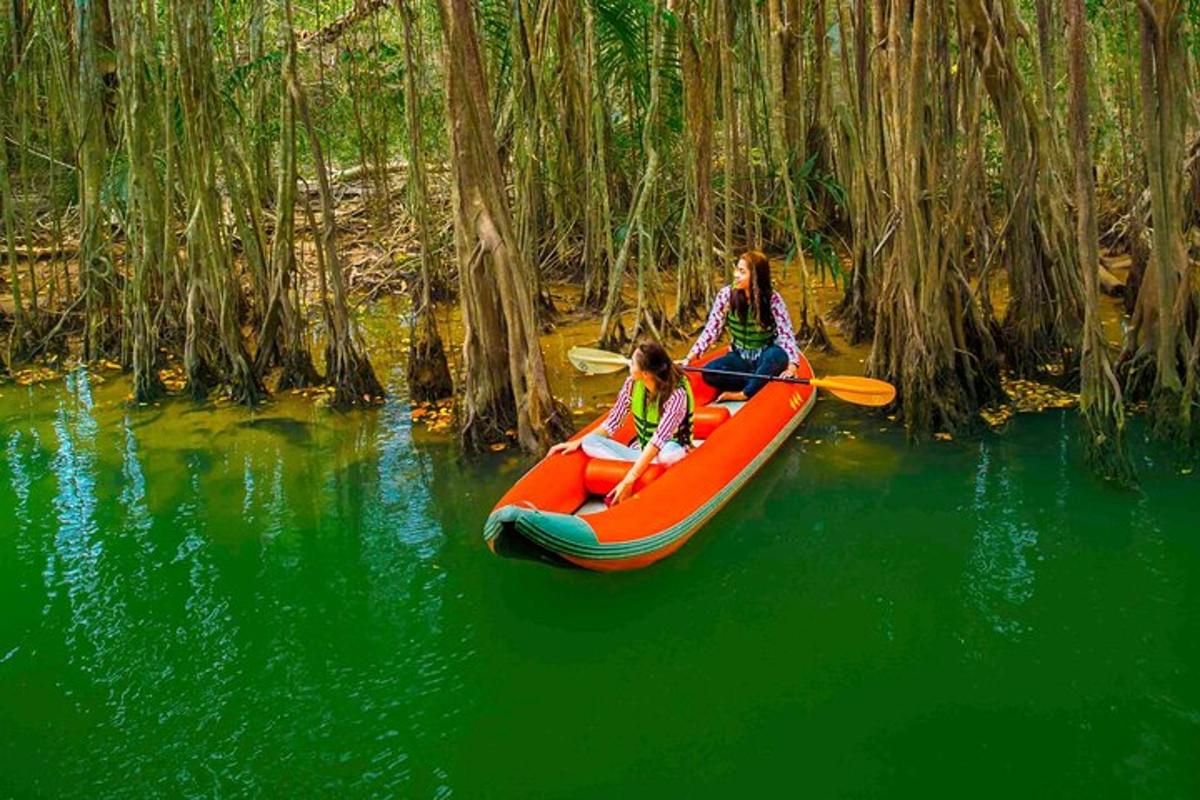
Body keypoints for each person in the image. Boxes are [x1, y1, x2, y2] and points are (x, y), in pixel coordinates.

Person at [548, 341, 694, 506]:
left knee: (667, 455)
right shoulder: (632, 384)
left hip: (670, 449)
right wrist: (577, 442)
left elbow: (658, 441)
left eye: (632, 363)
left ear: (645, 373)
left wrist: (629, 479)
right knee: (589, 442)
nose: (629, 365)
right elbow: (612, 423)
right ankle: (645, 466)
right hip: (643, 451)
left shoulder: (676, 396)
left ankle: (646, 468)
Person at [682, 250, 801, 402]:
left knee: (776, 356)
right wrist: (689, 358)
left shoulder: (773, 299)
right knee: (709, 372)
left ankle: (744, 394)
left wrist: (792, 367)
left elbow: (786, 335)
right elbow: (712, 329)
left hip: (765, 354)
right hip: (739, 357)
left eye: (742, 272)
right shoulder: (726, 295)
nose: (736, 275)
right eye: (737, 270)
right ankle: (759, 380)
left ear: (756, 276)